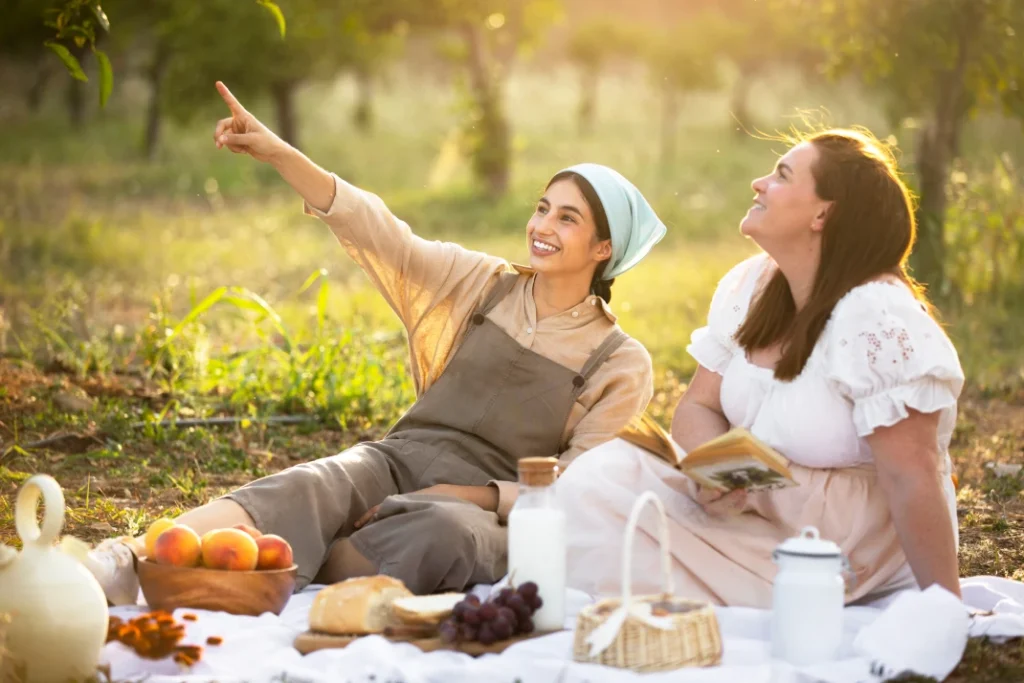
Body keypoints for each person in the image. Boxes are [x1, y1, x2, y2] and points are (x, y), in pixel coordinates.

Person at [86, 81, 667, 605]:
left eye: (567, 219)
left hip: (485, 511)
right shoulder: (485, 284)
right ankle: (131, 560)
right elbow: (381, 231)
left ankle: (291, 569)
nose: (542, 228)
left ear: (603, 251)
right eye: (542, 208)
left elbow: (576, 486)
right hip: (399, 460)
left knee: (441, 536)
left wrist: (472, 495)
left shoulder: (618, 361)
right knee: (316, 482)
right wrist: (278, 152)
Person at [554, 128, 964, 607]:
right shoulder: (753, 286)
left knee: (619, 558)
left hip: (839, 549)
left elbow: (913, 476)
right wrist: (718, 472)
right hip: (750, 508)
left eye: (782, 175)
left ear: (822, 213)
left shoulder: (875, 317)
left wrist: (945, 607)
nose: (758, 182)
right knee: (598, 478)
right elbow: (699, 405)